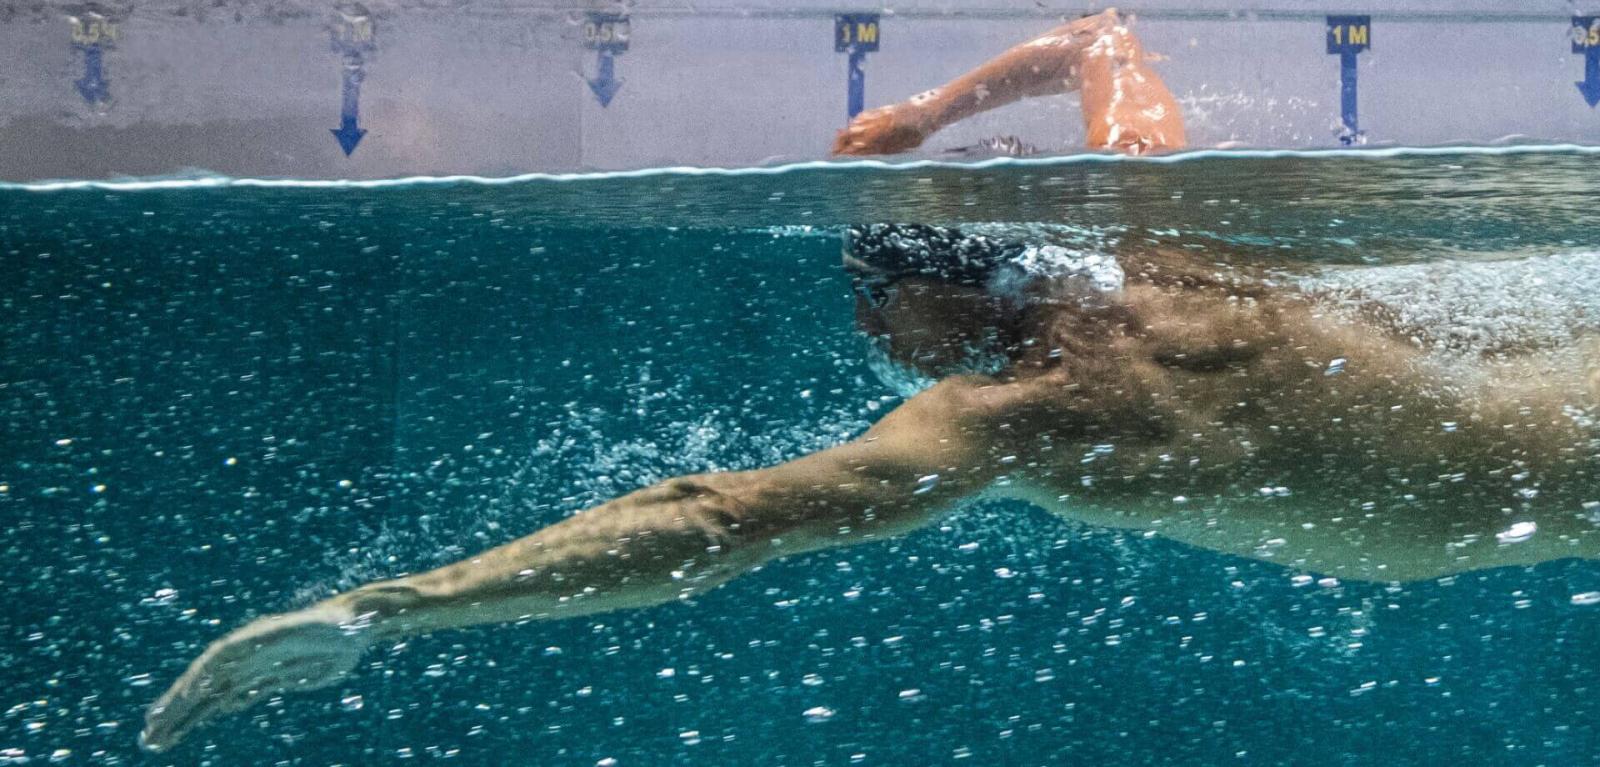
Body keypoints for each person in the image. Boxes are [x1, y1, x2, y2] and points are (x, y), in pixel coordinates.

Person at [140, 15, 1600, 754]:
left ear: (938, 292)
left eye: (873, 295)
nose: (870, 328)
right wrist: (926, 113)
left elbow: (710, 515)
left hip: (1536, 501)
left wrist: (392, 602)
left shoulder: (1006, 419)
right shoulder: (1171, 247)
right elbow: (1101, 33)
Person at [833, 9, 1186, 157]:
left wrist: (922, 115)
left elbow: (1100, 36)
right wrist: (922, 114)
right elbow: (1100, 37)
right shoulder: (1133, 150)